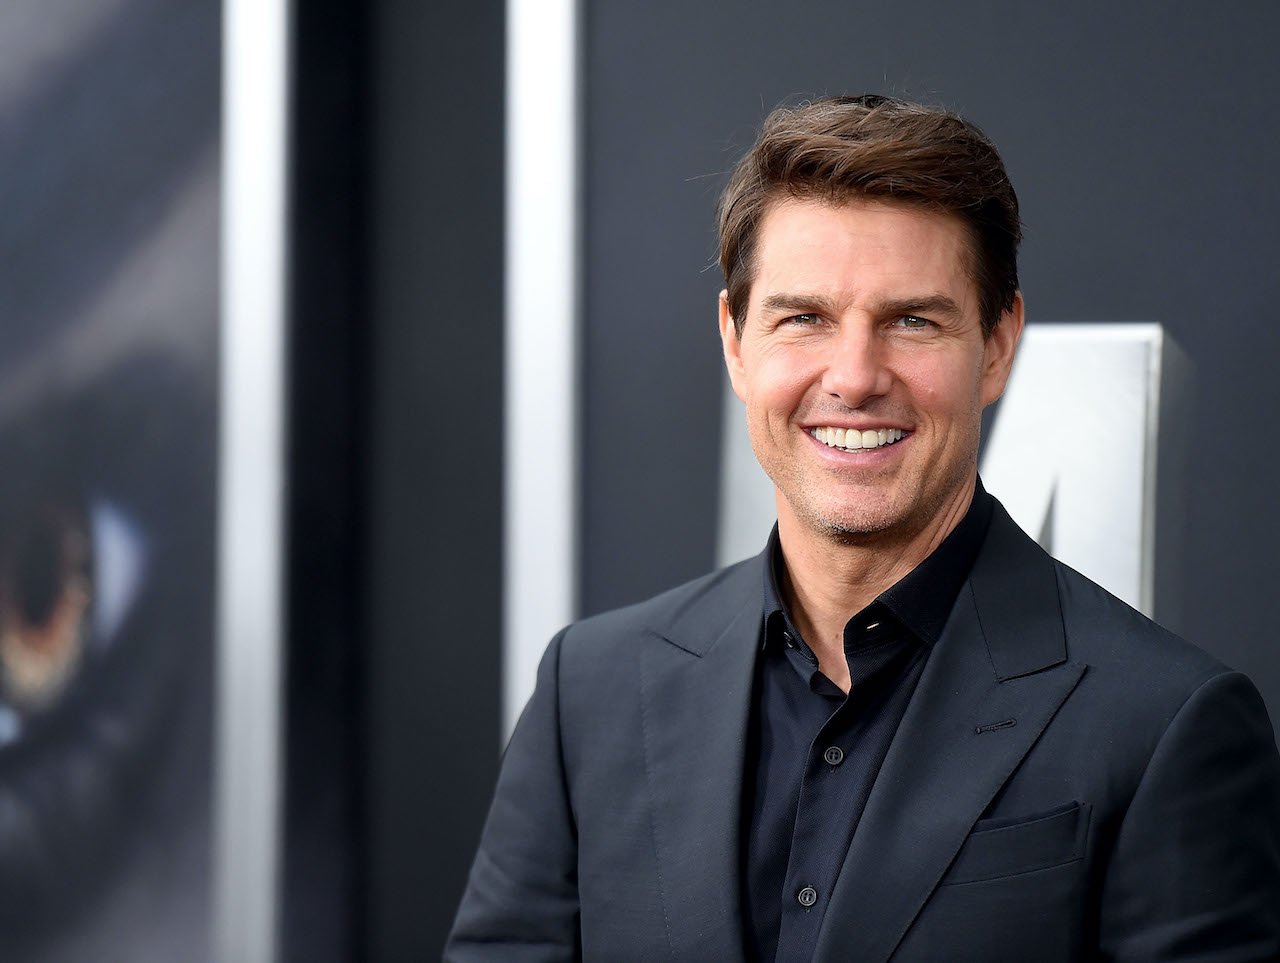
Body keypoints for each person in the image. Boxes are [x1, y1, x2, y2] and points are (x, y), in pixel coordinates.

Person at [446, 95, 1280, 962]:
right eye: (803, 317)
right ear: (735, 342)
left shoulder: (1163, 721)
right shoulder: (590, 693)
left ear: (998, 346)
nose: (854, 377)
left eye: (912, 320)